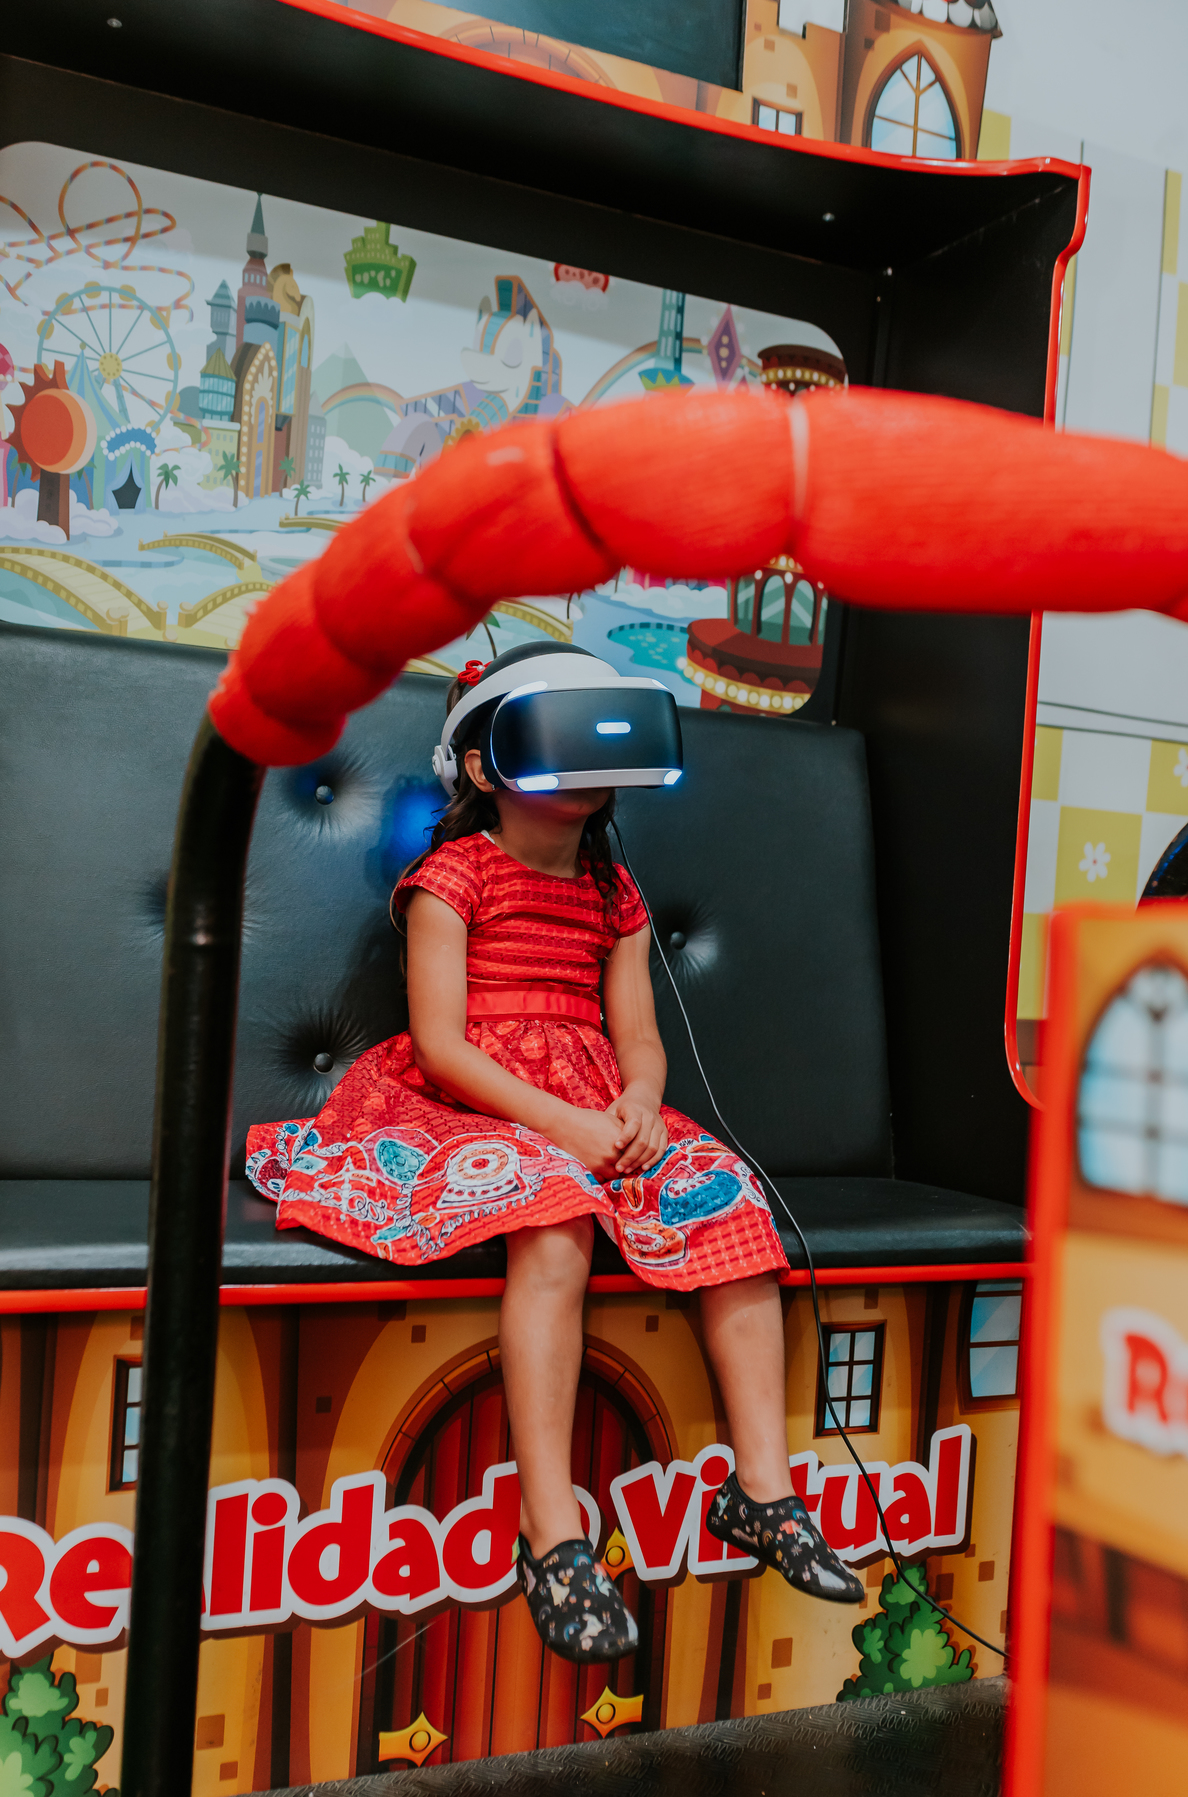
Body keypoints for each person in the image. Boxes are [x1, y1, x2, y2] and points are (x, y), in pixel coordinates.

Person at [247, 641, 865, 1664]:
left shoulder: (615, 896)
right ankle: (552, 1531)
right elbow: (441, 1045)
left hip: (595, 1103)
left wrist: (640, 1103)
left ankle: (762, 1488)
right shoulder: (451, 879)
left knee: (729, 1197)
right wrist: (561, 1128)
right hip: (468, 1106)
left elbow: (640, 1037)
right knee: (555, 1214)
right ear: (485, 765)